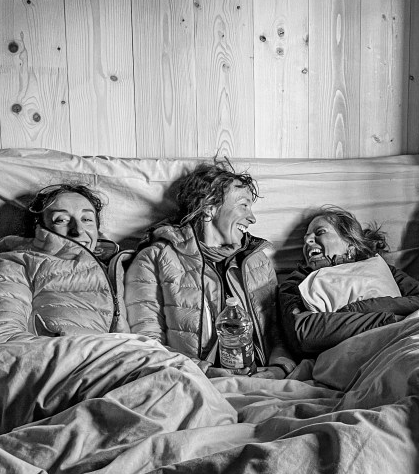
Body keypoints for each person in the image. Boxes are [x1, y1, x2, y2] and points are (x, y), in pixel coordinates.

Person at [125, 158, 296, 379]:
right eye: (243, 205)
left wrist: (279, 368)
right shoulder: (154, 259)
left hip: (265, 380)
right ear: (209, 208)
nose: (252, 218)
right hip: (191, 380)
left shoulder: (257, 260)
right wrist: (206, 371)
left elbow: (279, 331)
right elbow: (148, 343)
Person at [0, 183, 126, 347]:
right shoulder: (15, 265)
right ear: (38, 227)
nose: (78, 230)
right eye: (61, 220)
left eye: (87, 219)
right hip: (57, 359)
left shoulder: (118, 269)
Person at [278, 206, 419, 357]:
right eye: (305, 239)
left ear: (350, 243)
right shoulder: (298, 282)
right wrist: (392, 321)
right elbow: (306, 332)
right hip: (368, 352)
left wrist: (353, 310)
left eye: (320, 232)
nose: (308, 241)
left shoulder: (382, 268)